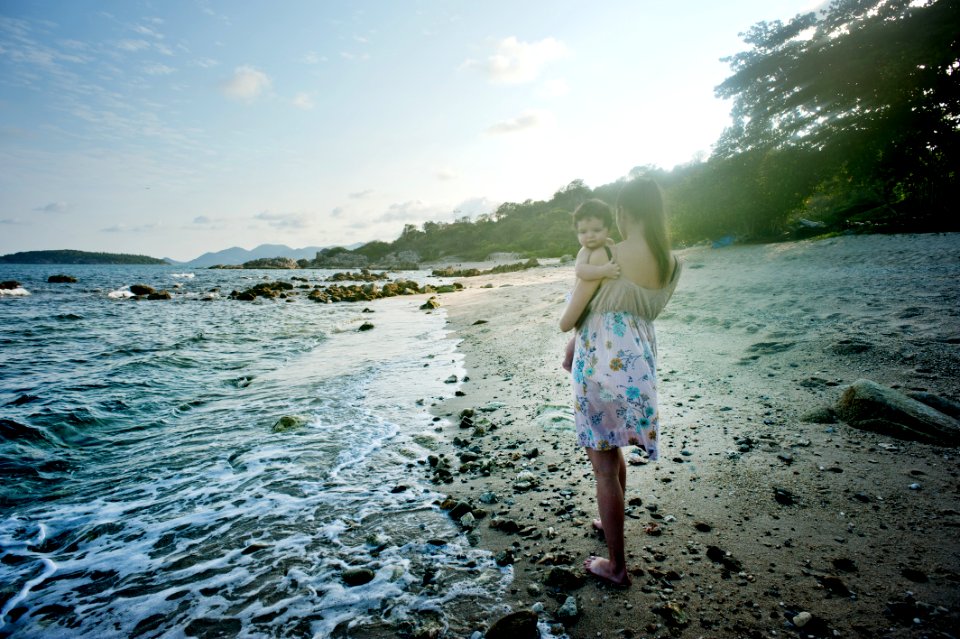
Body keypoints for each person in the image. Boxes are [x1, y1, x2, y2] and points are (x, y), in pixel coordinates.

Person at [559, 178, 681, 586]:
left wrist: (572, 335)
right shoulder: (673, 262)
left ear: (625, 212)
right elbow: (626, 310)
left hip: (599, 366)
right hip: (639, 366)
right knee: (616, 449)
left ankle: (617, 566)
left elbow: (569, 317)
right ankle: (611, 521)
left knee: (604, 466)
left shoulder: (606, 252)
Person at [562, 200, 621, 372]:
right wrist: (603, 270)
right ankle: (568, 360)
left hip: (595, 300)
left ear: (607, 229)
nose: (590, 236)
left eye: (596, 230)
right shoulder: (584, 251)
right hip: (579, 300)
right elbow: (581, 271)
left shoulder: (608, 244)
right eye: (583, 232)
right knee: (579, 333)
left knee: (587, 335)